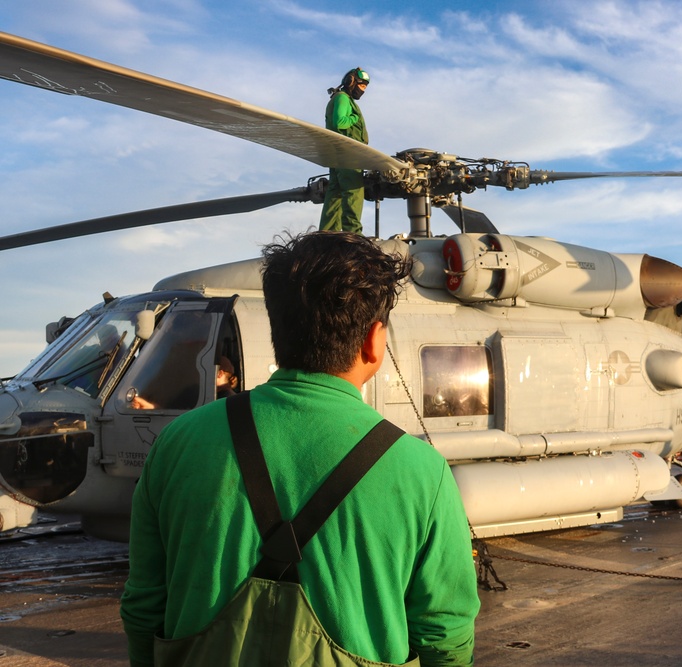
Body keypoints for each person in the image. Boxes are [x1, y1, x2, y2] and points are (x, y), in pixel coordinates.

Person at [120, 231, 479, 666]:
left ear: (278, 329)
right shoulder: (423, 471)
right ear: (374, 339)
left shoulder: (176, 443)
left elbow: (144, 607)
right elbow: (444, 633)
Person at [320, 67, 370, 233]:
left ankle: (327, 234)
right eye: (362, 86)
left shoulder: (341, 98)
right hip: (348, 153)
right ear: (351, 82)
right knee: (353, 190)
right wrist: (355, 117)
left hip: (337, 153)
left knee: (335, 193)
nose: (363, 90)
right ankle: (353, 233)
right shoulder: (342, 98)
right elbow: (339, 122)